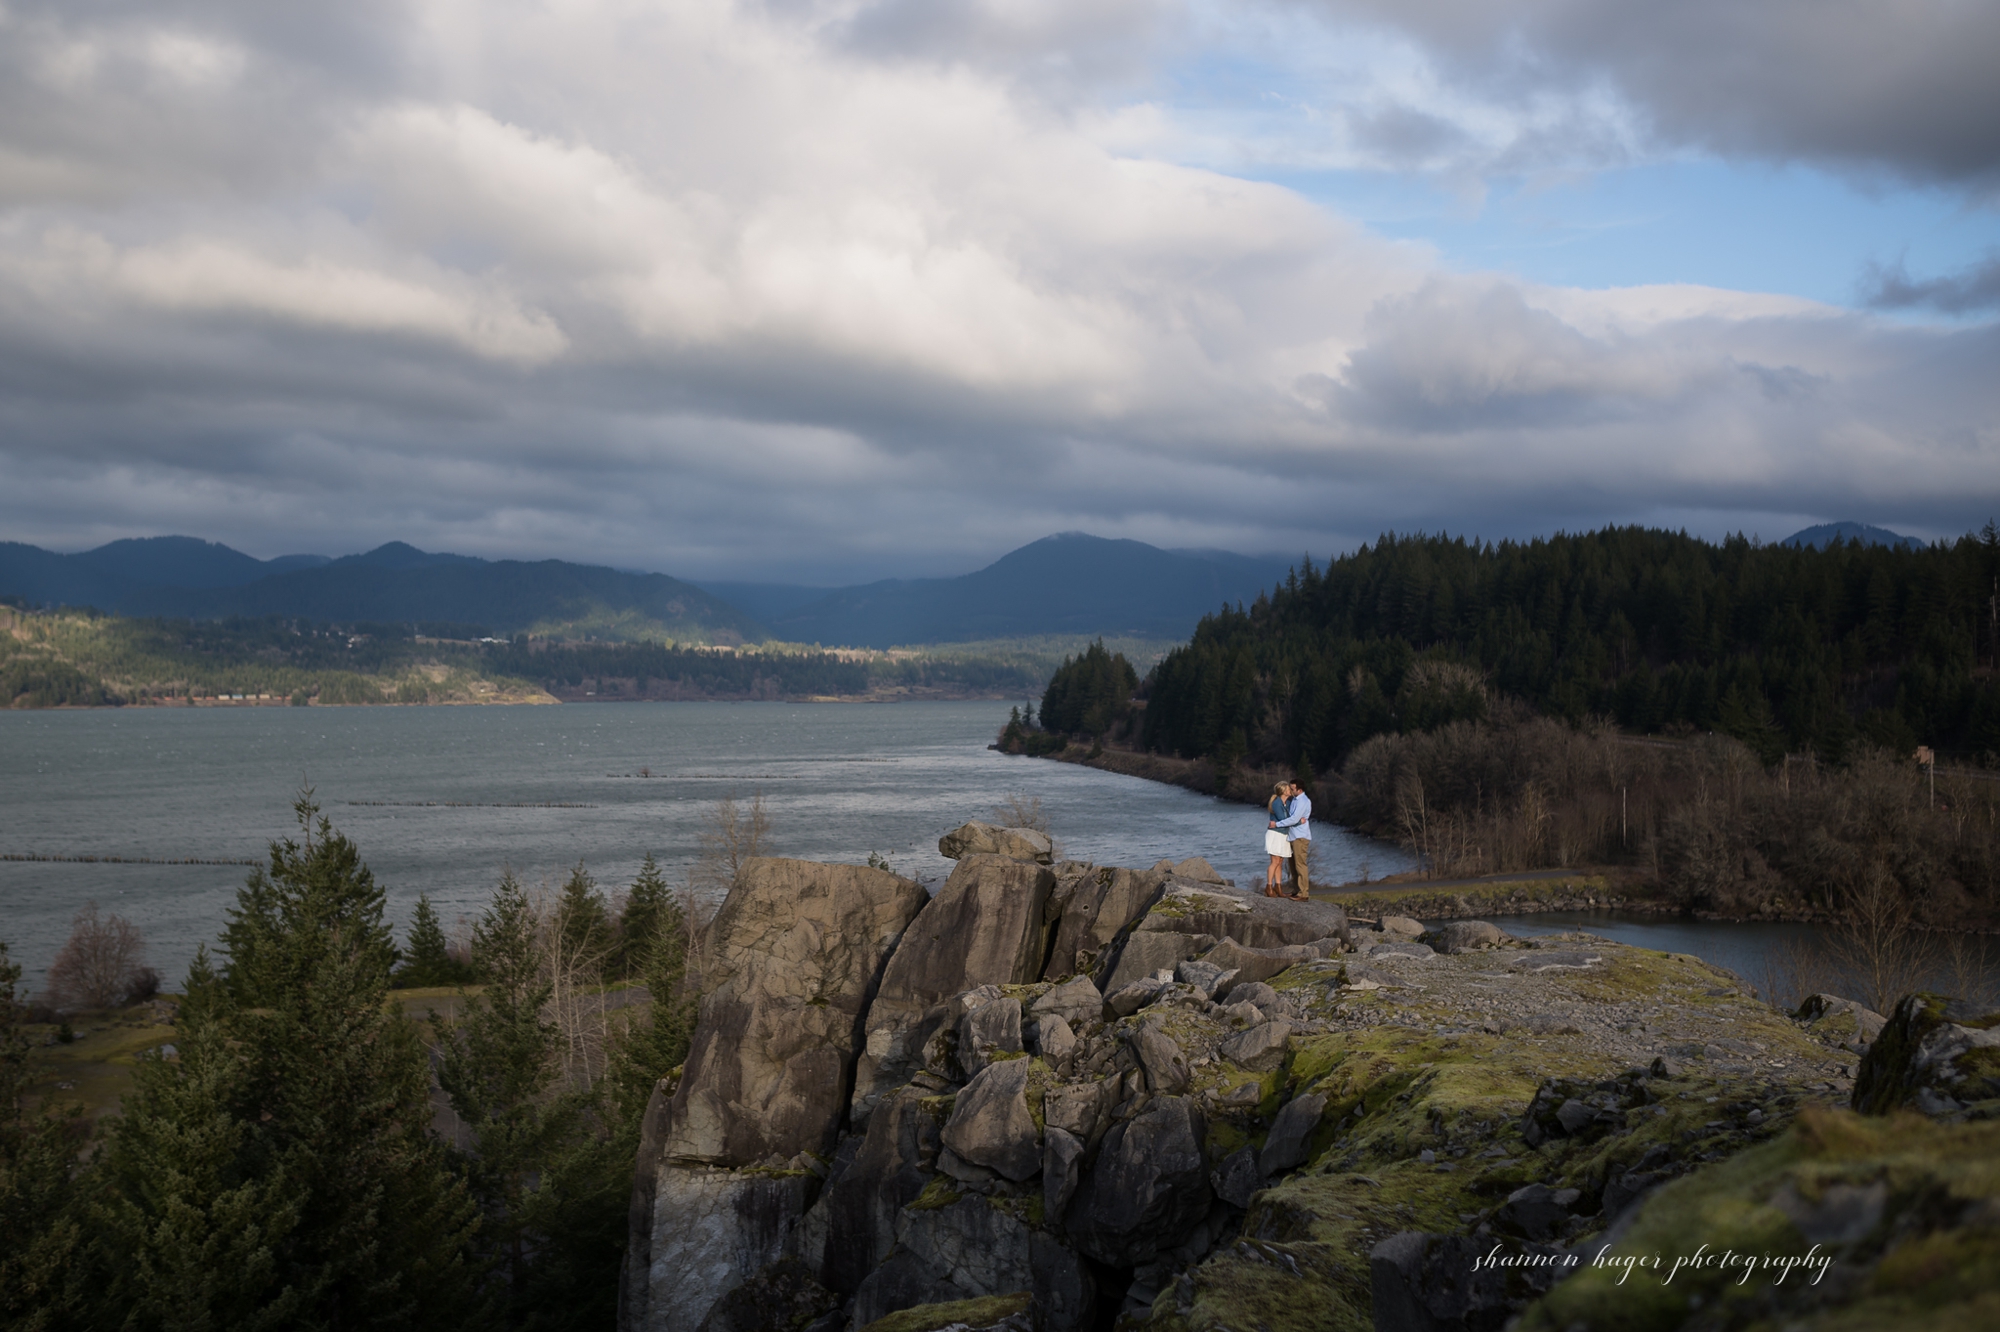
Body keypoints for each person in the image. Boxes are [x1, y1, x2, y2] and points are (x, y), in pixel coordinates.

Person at [1271, 780, 1313, 900]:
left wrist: (1277, 824)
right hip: (1293, 835)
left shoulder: (1303, 801)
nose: (1291, 790)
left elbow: (1294, 819)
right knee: (1293, 865)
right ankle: (1297, 889)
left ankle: (1303, 892)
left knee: (1300, 865)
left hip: (1300, 836)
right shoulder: (1295, 800)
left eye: (1292, 788)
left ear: (1299, 790)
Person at [1262, 782, 1292, 896]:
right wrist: (1296, 820)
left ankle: (1278, 886)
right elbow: (1283, 818)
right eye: (1288, 789)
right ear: (1284, 791)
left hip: (1284, 834)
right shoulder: (1277, 803)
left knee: (1280, 862)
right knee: (1274, 861)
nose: (1290, 791)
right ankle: (1269, 886)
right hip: (1275, 834)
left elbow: (1289, 818)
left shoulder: (1287, 803)